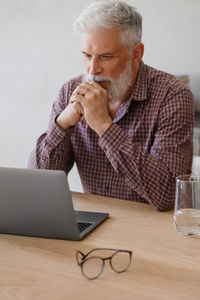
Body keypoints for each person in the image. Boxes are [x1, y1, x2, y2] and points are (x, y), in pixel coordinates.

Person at [28, 0, 194, 211]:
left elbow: (168, 195)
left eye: (106, 57)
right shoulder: (70, 91)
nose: (93, 69)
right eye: (87, 56)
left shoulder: (173, 96)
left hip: (151, 230)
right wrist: (62, 124)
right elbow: (38, 186)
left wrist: (104, 126)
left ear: (136, 54)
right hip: (95, 225)